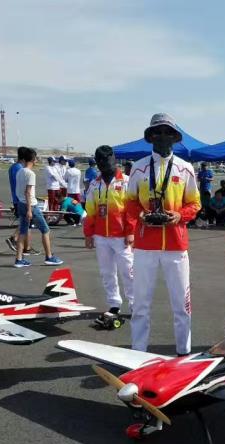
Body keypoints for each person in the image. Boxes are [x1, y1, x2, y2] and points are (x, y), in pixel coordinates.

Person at [126, 113, 201, 356]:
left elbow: (195, 203)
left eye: (167, 132)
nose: (162, 136)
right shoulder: (138, 167)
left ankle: (183, 352)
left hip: (175, 245)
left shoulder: (185, 168)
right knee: (140, 305)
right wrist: (140, 214)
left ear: (174, 137)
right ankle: (138, 353)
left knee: (182, 305)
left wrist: (179, 215)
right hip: (145, 245)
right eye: (157, 132)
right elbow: (130, 202)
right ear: (150, 137)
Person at [84, 145, 135, 323]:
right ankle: (114, 304)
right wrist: (88, 234)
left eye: (108, 161)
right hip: (101, 236)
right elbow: (90, 210)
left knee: (129, 272)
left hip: (122, 236)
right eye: (101, 162)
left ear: (114, 159)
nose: (105, 165)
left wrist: (130, 231)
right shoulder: (94, 184)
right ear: (98, 163)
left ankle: (135, 305)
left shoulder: (127, 182)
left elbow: (132, 210)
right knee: (107, 272)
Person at [14, 147, 64, 268]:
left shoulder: (19, 171)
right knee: (45, 230)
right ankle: (49, 257)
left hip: (21, 203)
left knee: (22, 232)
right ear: (33, 159)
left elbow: (19, 190)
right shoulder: (30, 174)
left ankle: (19, 259)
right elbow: (27, 192)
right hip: (30, 205)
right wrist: (29, 210)